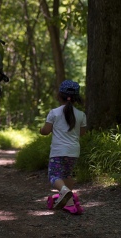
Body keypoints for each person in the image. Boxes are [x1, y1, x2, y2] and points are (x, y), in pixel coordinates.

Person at [40, 79, 87, 213]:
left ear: (59, 95)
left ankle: (65, 192)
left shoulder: (54, 113)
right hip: (73, 151)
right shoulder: (81, 114)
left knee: (54, 175)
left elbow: (46, 131)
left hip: (58, 151)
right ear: (76, 98)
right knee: (67, 175)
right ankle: (70, 201)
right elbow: (82, 133)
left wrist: (41, 130)